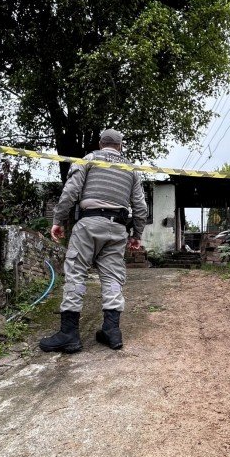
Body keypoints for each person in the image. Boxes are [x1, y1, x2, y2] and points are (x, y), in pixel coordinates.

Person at [40, 128, 148, 353]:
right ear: (120, 146)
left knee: (76, 271)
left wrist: (58, 220)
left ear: (101, 143)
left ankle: (69, 334)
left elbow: (70, 191)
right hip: (117, 229)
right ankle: (112, 330)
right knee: (112, 276)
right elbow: (140, 207)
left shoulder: (88, 159)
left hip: (89, 225)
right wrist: (137, 235)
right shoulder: (130, 170)